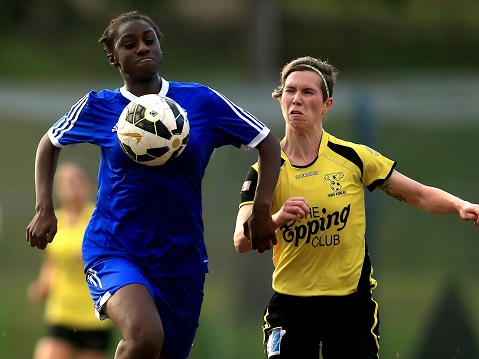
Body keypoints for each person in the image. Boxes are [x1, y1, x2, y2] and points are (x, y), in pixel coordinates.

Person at [26, 11, 280, 359]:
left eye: (149, 40)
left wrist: (262, 208)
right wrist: (44, 209)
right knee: (146, 336)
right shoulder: (100, 106)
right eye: (129, 44)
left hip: (181, 258)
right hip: (115, 249)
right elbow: (50, 143)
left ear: (160, 46)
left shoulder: (201, 102)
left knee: (155, 351)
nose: (142, 48)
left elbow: (267, 142)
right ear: (114, 57)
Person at [233, 56, 479, 359]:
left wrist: (460, 205)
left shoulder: (352, 158)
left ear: (327, 105)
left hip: (350, 305)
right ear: (280, 99)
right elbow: (241, 241)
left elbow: (419, 195)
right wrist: (276, 219)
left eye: (308, 92)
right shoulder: (266, 169)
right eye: (290, 90)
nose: (297, 99)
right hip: (291, 305)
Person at [28, 161, 114, 359]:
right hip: (61, 312)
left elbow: (116, 258)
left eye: (74, 181)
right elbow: (52, 262)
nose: (69, 187)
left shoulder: (99, 219)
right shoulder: (52, 220)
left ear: (87, 186)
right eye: (64, 182)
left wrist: (92, 256)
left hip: (94, 315)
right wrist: (43, 286)